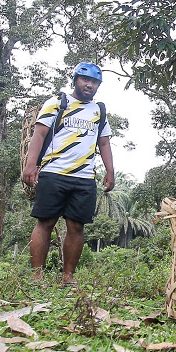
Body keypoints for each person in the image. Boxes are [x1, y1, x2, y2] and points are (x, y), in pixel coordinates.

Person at [21, 62, 115, 286]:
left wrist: (110, 171)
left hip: (84, 178)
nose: (89, 85)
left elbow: (104, 143)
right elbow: (39, 134)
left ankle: (68, 277)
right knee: (45, 222)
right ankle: (37, 276)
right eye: (85, 80)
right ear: (75, 80)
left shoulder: (99, 111)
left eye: (94, 82)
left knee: (76, 226)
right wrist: (31, 164)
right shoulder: (56, 103)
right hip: (53, 173)